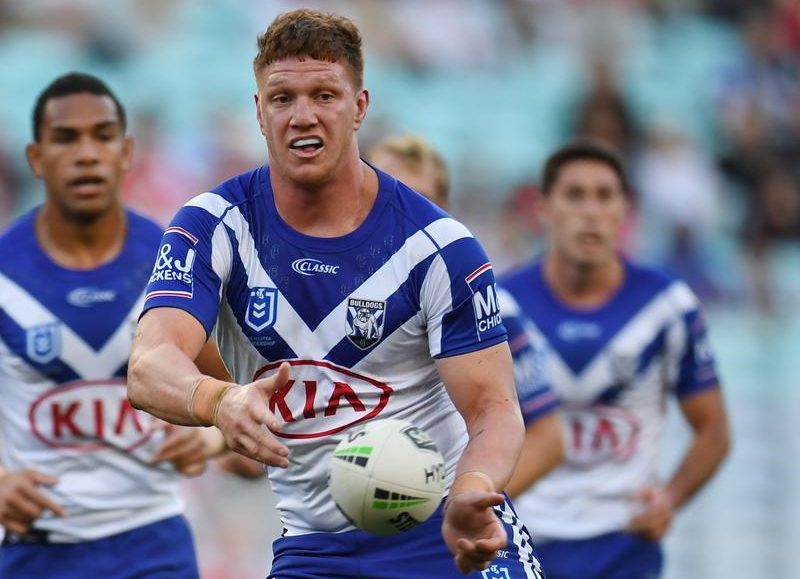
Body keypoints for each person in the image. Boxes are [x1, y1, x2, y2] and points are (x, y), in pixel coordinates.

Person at [127, 9, 543, 578]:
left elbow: (494, 407)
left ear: (359, 106)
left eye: (324, 95)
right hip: (317, 548)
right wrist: (219, 402)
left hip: (445, 530)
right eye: (282, 98)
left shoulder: (439, 247)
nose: (303, 116)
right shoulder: (213, 226)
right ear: (259, 111)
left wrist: (474, 489)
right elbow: (149, 364)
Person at [0, 72, 227, 579]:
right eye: (66, 138)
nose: (86, 154)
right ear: (36, 157)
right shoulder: (4, 272)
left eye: (102, 136)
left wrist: (209, 440)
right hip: (38, 548)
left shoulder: (172, 261)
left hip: (154, 543)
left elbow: (238, 394)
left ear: (125, 152)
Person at [499, 139, 731, 579]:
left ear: (625, 210)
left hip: (623, 544)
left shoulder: (667, 304)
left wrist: (670, 498)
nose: (591, 211)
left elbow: (714, 429)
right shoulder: (500, 304)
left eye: (605, 196)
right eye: (575, 195)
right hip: (518, 538)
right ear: (543, 209)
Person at [366, 134, 565, 497]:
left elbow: (547, 439)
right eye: (387, 198)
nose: (403, 217)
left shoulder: (492, 306)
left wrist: (466, 503)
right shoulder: (319, 301)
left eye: (420, 200)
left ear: (444, 211)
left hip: (439, 510)